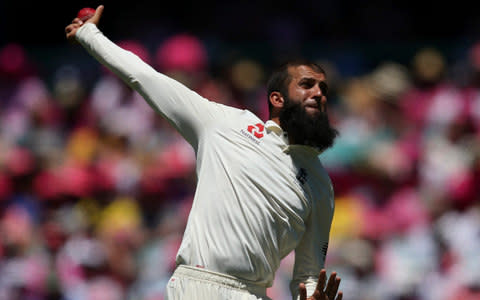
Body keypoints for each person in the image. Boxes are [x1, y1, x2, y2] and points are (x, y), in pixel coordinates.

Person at [65, 5, 342, 300]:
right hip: (196, 286)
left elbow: (309, 273)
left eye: (323, 89)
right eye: (307, 85)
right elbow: (145, 78)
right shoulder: (223, 124)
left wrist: (310, 297)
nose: (319, 93)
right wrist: (90, 35)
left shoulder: (319, 183)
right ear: (277, 99)